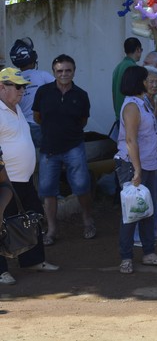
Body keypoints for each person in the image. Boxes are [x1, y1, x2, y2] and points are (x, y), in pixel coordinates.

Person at [0, 68, 59, 285]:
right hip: (5, 181)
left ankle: (34, 260)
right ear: (2, 87)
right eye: (17, 86)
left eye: (23, 86)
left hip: (23, 179)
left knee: (33, 216)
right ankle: (1, 270)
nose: (22, 90)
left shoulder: (16, 110)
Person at [33, 54, 96, 245]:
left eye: (68, 70)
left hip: (74, 147)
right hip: (48, 149)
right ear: (54, 72)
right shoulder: (43, 92)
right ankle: (52, 230)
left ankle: (87, 220)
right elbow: (37, 117)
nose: (64, 74)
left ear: (74, 72)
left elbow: (83, 121)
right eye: (59, 71)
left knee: (82, 186)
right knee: (47, 191)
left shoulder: (81, 95)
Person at [115, 66, 157, 274]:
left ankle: (148, 252)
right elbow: (130, 139)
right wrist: (137, 170)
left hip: (148, 163)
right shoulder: (131, 106)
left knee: (147, 209)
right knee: (131, 211)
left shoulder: (143, 102)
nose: (150, 83)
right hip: (133, 165)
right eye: (147, 80)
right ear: (139, 82)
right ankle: (126, 257)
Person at [133, 66, 157, 247]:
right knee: (142, 197)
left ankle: (151, 232)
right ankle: (139, 235)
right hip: (144, 159)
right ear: (143, 83)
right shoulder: (140, 102)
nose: (154, 85)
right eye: (151, 81)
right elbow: (146, 127)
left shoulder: (155, 100)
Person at [9, 37, 54, 147]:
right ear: (33, 57)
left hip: (22, 127)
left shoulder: (13, 80)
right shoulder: (43, 75)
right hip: (39, 125)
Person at [112, 37, 143, 128]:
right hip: (130, 116)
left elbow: (113, 93)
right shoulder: (134, 69)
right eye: (141, 50)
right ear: (138, 49)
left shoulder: (118, 67)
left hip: (119, 115)